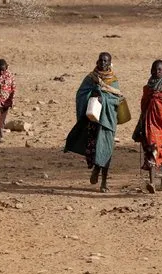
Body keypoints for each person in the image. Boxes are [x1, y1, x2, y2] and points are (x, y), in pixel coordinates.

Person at [65, 52, 123, 193]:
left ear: (110, 63)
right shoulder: (90, 78)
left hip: (108, 121)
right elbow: (81, 94)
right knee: (96, 148)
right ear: (97, 62)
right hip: (94, 121)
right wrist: (93, 95)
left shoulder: (113, 81)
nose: (103, 63)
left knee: (107, 150)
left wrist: (104, 98)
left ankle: (103, 181)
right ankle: (96, 169)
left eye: (106, 61)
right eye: (101, 60)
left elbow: (117, 99)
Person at [133, 59, 162, 193]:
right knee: (151, 149)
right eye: (154, 69)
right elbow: (144, 105)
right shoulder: (148, 87)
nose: (156, 72)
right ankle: (152, 183)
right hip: (151, 123)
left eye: (159, 70)